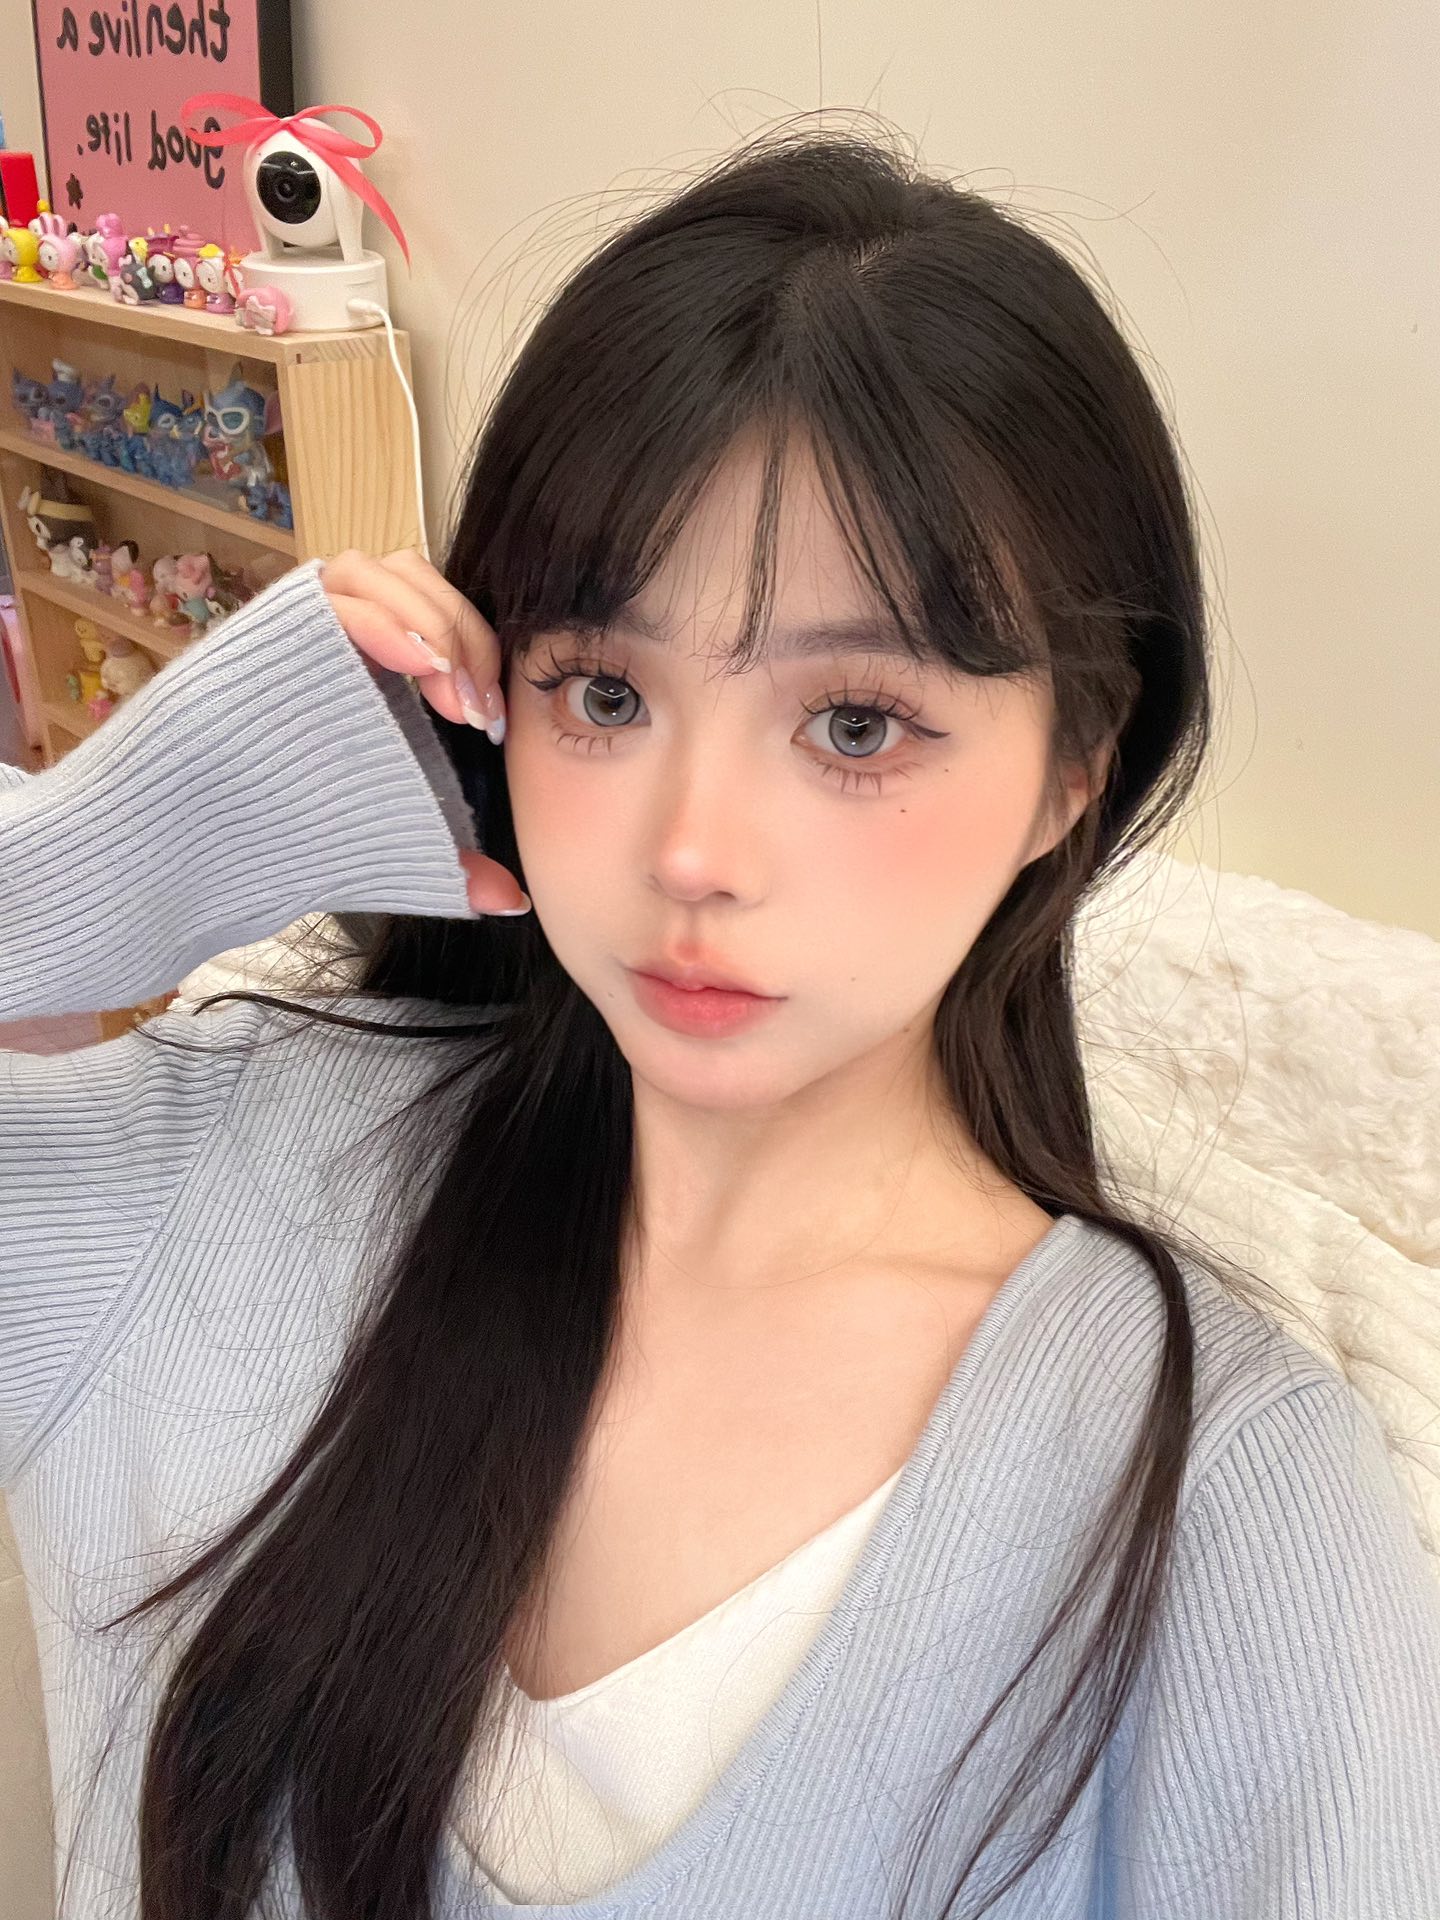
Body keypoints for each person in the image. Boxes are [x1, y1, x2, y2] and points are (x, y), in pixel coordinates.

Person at [2, 125, 1437, 1920]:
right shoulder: (226, 1164)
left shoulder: (1228, 1507)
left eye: (856, 725)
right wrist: (111, 854)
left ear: (1074, 770)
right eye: (604, 692)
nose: (691, 853)